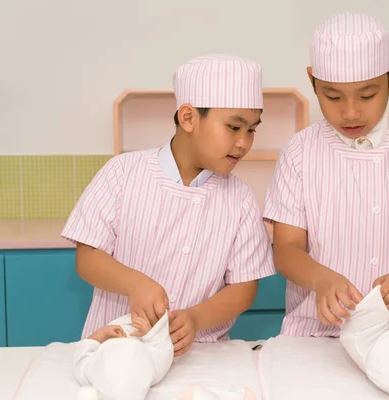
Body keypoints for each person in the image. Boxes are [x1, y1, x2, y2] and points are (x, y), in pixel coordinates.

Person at [264, 12, 389, 338]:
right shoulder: (299, 152)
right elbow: (286, 249)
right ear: (312, 81)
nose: (351, 112)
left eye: (368, 95)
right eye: (332, 96)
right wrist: (320, 279)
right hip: (313, 335)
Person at [62, 54, 275, 356]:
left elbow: (243, 288)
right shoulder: (122, 173)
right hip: (116, 350)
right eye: (233, 127)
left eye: (251, 130)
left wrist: (195, 318)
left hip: (199, 354)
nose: (244, 142)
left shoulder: (240, 199)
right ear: (188, 117)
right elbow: (88, 257)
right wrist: (136, 284)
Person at [74, 313, 173, 400]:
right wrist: (151, 333)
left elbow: (83, 352)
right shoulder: (152, 372)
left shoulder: (91, 374)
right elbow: (163, 351)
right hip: (148, 326)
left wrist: (102, 333)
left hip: (113, 328)